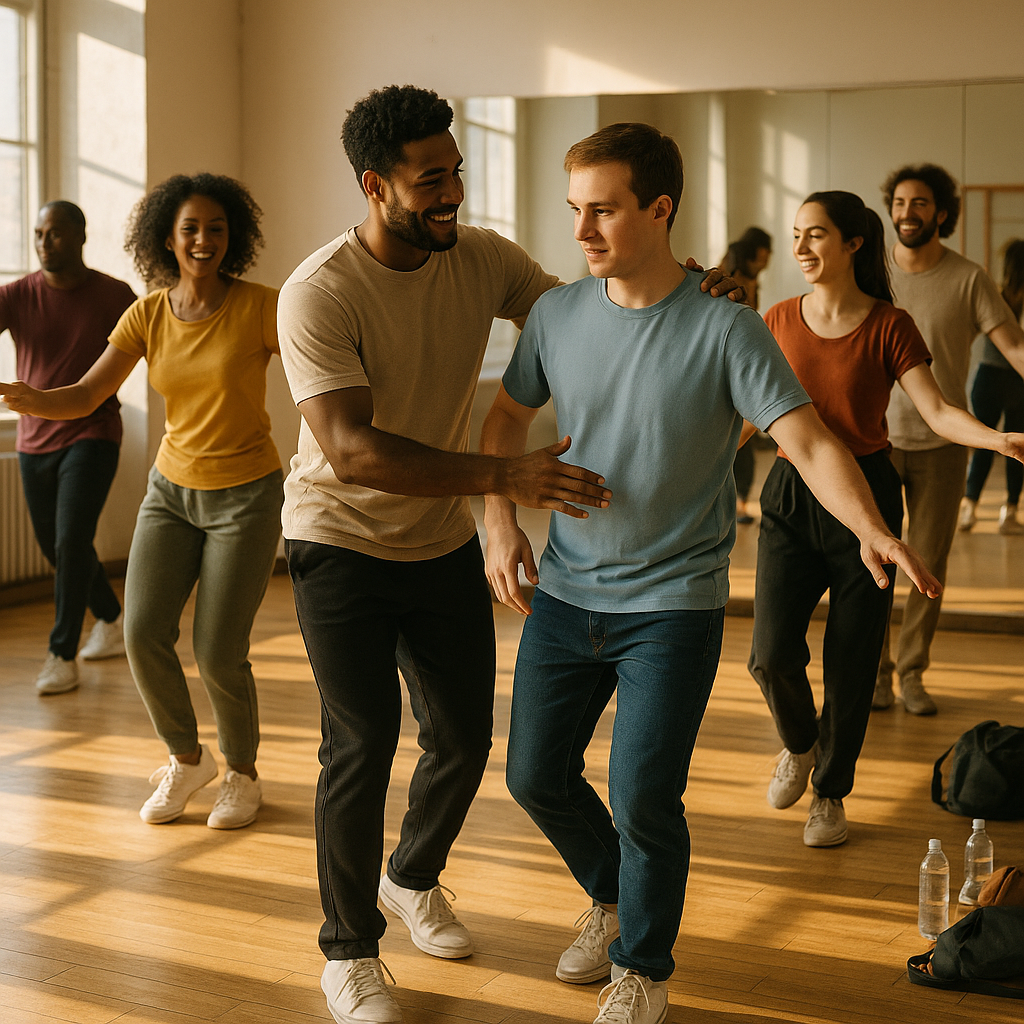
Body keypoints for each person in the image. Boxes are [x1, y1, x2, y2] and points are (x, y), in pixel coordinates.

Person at [275, 86, 742, 1024]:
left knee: (467, 740)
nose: (453, 192)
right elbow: (356, 451)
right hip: (339, 541)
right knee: (360, 741)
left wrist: (687, 287)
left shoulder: (480, 256)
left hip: (438, 537)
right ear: (375, 187)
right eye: (430, 180)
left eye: (456, 171)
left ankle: (411, 877)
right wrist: (506, 482)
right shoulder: (318, 291)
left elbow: (589, 310)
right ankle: (348, 950)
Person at [481, 125, 940, 1024]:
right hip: (565, 597)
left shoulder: (726, 327)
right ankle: (612, 897)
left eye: (603, 209)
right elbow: (503, 421)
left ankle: (643, 966)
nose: (582, 230)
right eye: (575, 209)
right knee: (534, 774)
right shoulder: (556, 316)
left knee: (643, 794)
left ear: (660, 210)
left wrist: (874, 531)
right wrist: (497, 518)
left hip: (672, 607)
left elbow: (806, 441)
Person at [1, 174, 283, 831]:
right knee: (141, 632)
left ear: (232, 236)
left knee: (217, 649)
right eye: (190, 229)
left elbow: (317, 374)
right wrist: (33, 400)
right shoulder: (149, 313)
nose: (204, 239)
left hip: (246, 492)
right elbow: (85, 394)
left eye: (216, 228)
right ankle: (187, 760)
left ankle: (242, 774)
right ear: (167, 238)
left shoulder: (261, 307)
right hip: (171, 491)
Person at [750, 191, 1024, 851]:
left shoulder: (891, 325)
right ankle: (799, 743)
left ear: (854, 244)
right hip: (790, 492)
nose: (801, 248)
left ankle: (830, 794)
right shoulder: (777, 319)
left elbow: (935, 410)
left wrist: (997, 439)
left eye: (816, 234)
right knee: (770, 654)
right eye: (796, 235)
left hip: (868, 496)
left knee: (851, 660)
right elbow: (744, 416)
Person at [875, 164, 1024, 714]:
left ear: (941, 213)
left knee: (928, 564)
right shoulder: (872, 271)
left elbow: (1012, 346)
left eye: (920, 204)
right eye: (900, 203)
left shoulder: (969, 278)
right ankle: (877, 673)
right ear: (890, 209)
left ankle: (911, 672)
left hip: (942, 446)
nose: (907, 213)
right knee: (876, 563)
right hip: (876, 443)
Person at [0, 201, 135, 694]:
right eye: (38, 233)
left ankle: (61, 654)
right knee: (56, 547)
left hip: (92, 433)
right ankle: (111, 617)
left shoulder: (115, 295)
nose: (44, 242)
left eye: (55, 232)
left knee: (71, 539)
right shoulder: (16, 295)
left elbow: (154, 343)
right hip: (34, 440)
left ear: (79, 235)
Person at [959, 239, 1024, 535]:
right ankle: (1009, 512)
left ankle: (970, 508)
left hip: (989, 378)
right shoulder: (998, 298)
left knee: (985, 444)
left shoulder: (996, 296)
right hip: (1017, 380)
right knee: (1017, 448)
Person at [721, 227, 772, 522]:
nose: (768, 260)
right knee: (739, 438)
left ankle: (739, 503)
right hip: (733, 360)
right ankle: (737, 503)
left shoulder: (742, 272)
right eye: (766, 252)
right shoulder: (732, 274)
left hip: (738, 358)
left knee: (742, 437)